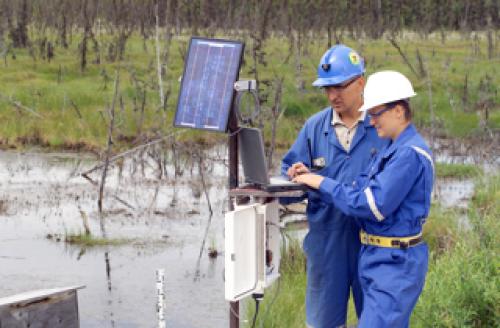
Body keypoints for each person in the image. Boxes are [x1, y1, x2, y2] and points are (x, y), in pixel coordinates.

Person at [291, 70, 434, 328]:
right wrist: (311, 176)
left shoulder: (409, 154)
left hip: (394, 262)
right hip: (376, 259)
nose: (371, 119)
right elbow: (357, 189)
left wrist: (320, 181)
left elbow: (371, 204)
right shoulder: (391, 148)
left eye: (377, 113)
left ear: (399, 111)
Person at [281, 45, 387, 328]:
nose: (332, 96)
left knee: (377, 322)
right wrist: (296, 175)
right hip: (327, 245)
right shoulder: (315, 127)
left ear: (360, 82)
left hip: (373, 246)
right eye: (327, 88)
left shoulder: (382, 126)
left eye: (339, 87)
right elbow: (287, 173)